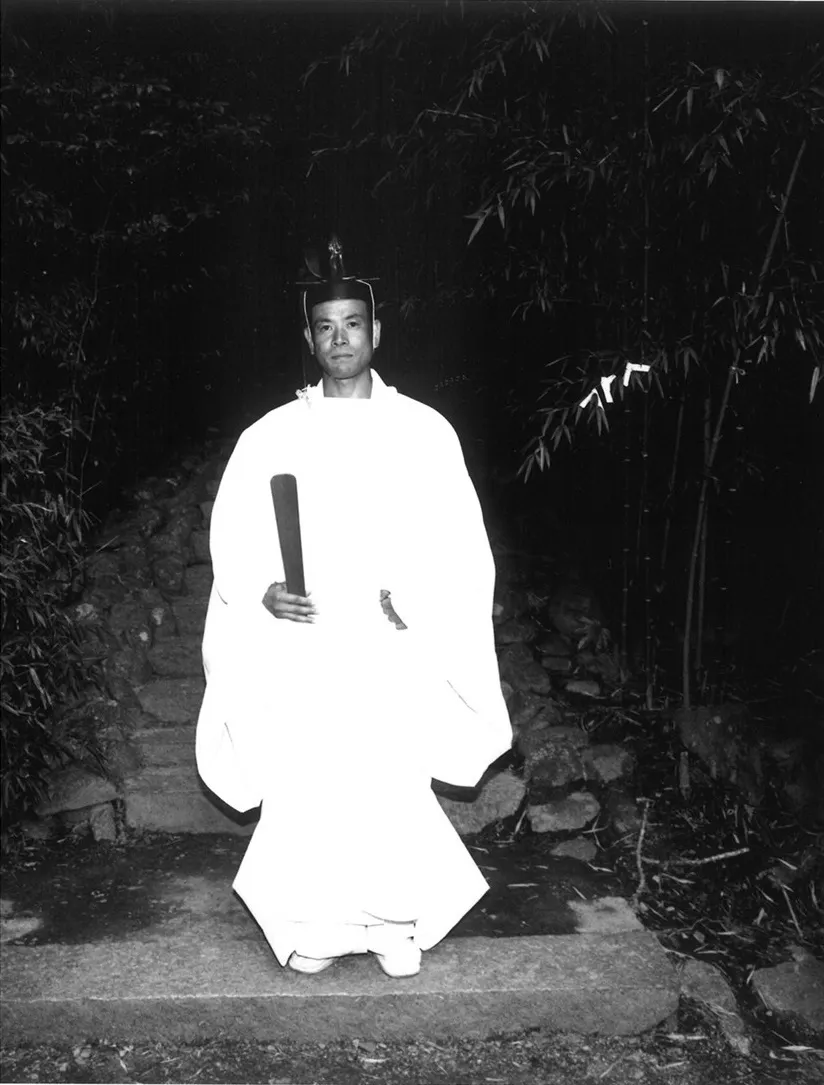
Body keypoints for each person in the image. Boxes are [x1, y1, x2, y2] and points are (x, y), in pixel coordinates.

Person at [195, 237, 511, 978]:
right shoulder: (271, 435)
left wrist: (418, 602)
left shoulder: (424, 431)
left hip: (387, 640)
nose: (340, 339)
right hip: (306, 640)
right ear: (308, 340)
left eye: (353, 325)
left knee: (386, 777)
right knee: (309, 776)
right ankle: (316, 926)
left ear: (377, 332)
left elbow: (460, 541)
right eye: (325, 327)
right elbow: (234, 534)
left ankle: (394, 926)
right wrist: (263, 588)